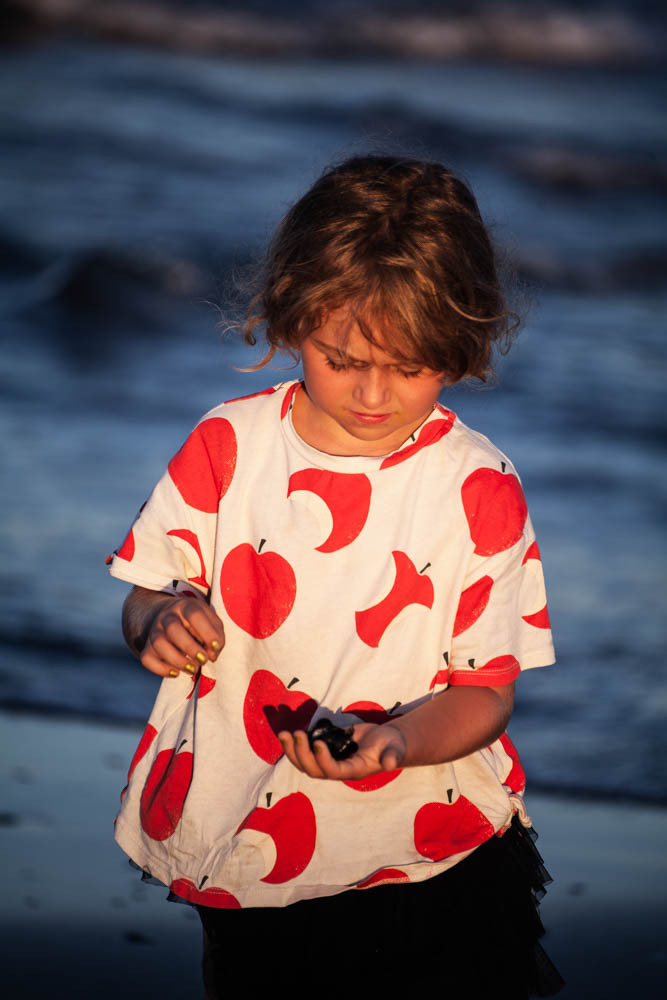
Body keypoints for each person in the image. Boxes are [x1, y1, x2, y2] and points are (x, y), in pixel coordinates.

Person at [108, 155, 564, 997]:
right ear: (290, 315)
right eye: (343, 356)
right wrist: (159, 620)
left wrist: (396, 741)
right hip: (248, 831)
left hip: (430, 848)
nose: (373, 393)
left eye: (411, 365)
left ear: (462, 349)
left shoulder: (477, 487)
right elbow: (148, 590)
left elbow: (486, 693)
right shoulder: (229, 448)